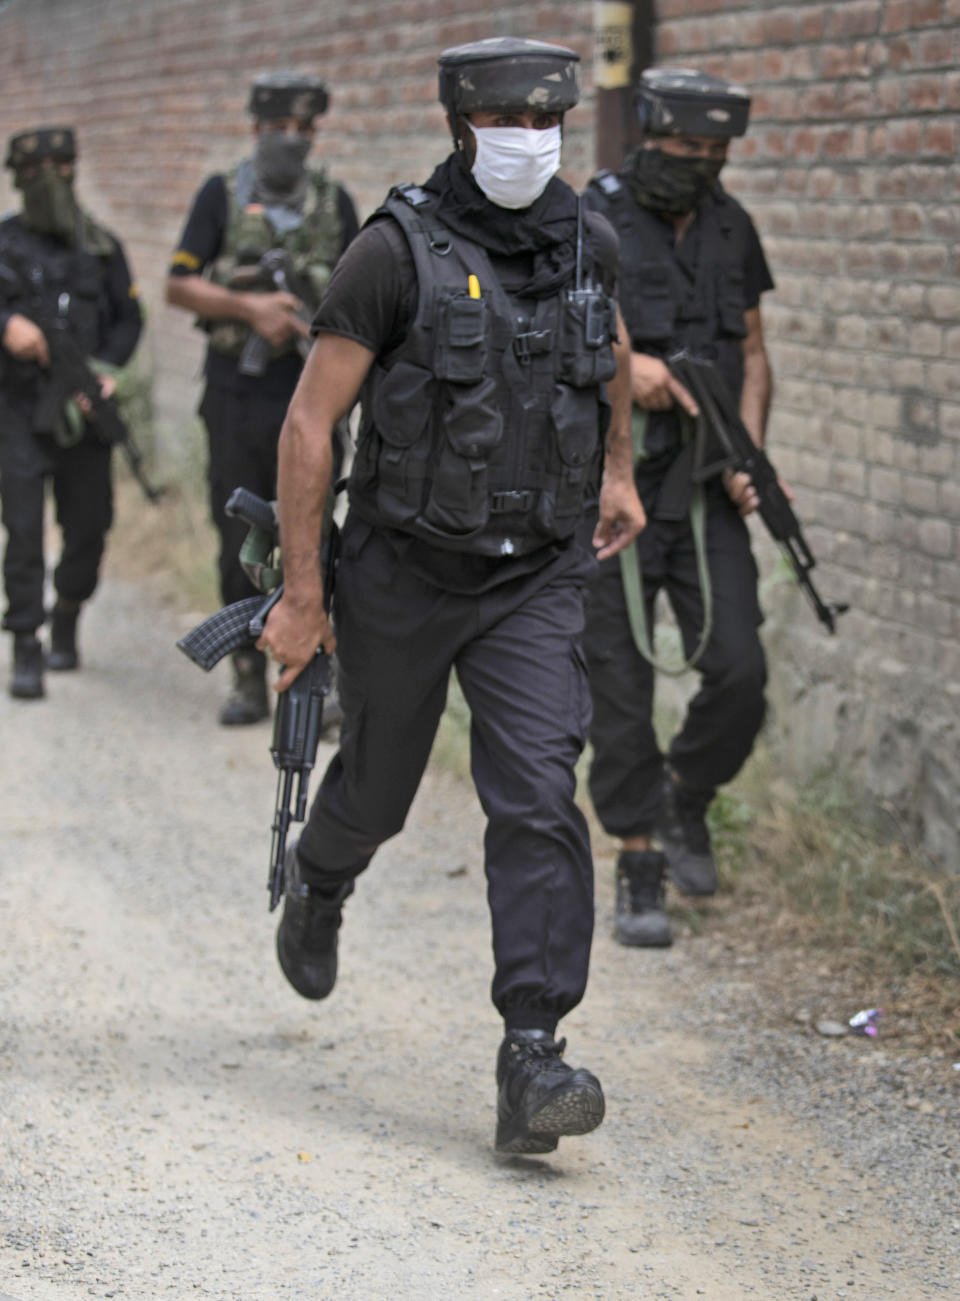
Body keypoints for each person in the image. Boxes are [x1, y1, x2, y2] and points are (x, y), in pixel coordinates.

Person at [257, 37, 646, 1155]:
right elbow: (308, 425)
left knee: (535, 792)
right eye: (508, 122)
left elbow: (610, 346)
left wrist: (617, 466)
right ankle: (322, 880)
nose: (531, 139)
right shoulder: (391, 252)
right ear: (462, 127)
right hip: (405, 570)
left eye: (547, 119)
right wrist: (300, 596)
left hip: (535, 574)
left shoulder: (590, 237)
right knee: (377, 789)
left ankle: (533, 1049)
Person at [582, 68, 775, 948]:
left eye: (712, 151)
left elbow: (756, 351)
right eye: (680, 147)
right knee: (620, 689)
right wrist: (635, 373)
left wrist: (749, 456)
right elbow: (553, 340)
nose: (695, 163)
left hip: (703, 487)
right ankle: (637, 858)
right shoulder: (592, 217)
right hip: (609, 491)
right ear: (645, 134)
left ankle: (685, 798)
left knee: (739, 671)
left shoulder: (732, 226)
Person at [166, 71, 359, 725]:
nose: (294, 142)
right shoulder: (221, 197)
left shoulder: (336, 205)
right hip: (236, 392)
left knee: (318, 534)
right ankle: (248, 672)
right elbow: (179, 285)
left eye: (306, 131)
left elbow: (366, 295)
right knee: (239, 532)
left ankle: (316, 665)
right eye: (283, 129)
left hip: (312, 393)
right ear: (257, 128)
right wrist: (252, 310)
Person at [0, 126, 143, 700]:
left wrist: (108, 371)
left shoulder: (101, 247)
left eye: (63, 166)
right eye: (38, 170)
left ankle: (68, 613)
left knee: (89, 526)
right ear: (19, 178)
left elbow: (129, 320)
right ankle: (27, 642)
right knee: (25, 529)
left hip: (83, 412)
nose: (52, 179)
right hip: (18, 406)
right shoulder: (4, 243)